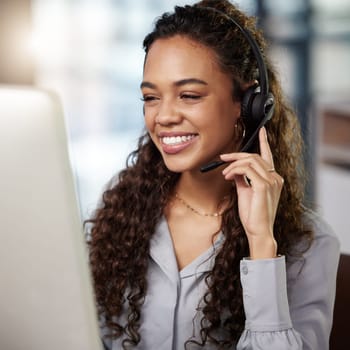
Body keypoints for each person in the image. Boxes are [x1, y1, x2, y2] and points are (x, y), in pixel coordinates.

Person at [87, 1, 340, 349]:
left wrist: (262, 246)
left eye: (189, 95)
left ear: (249, 102)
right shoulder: (122, 209)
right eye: (151, 97)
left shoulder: (308, 243)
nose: (163, 116)